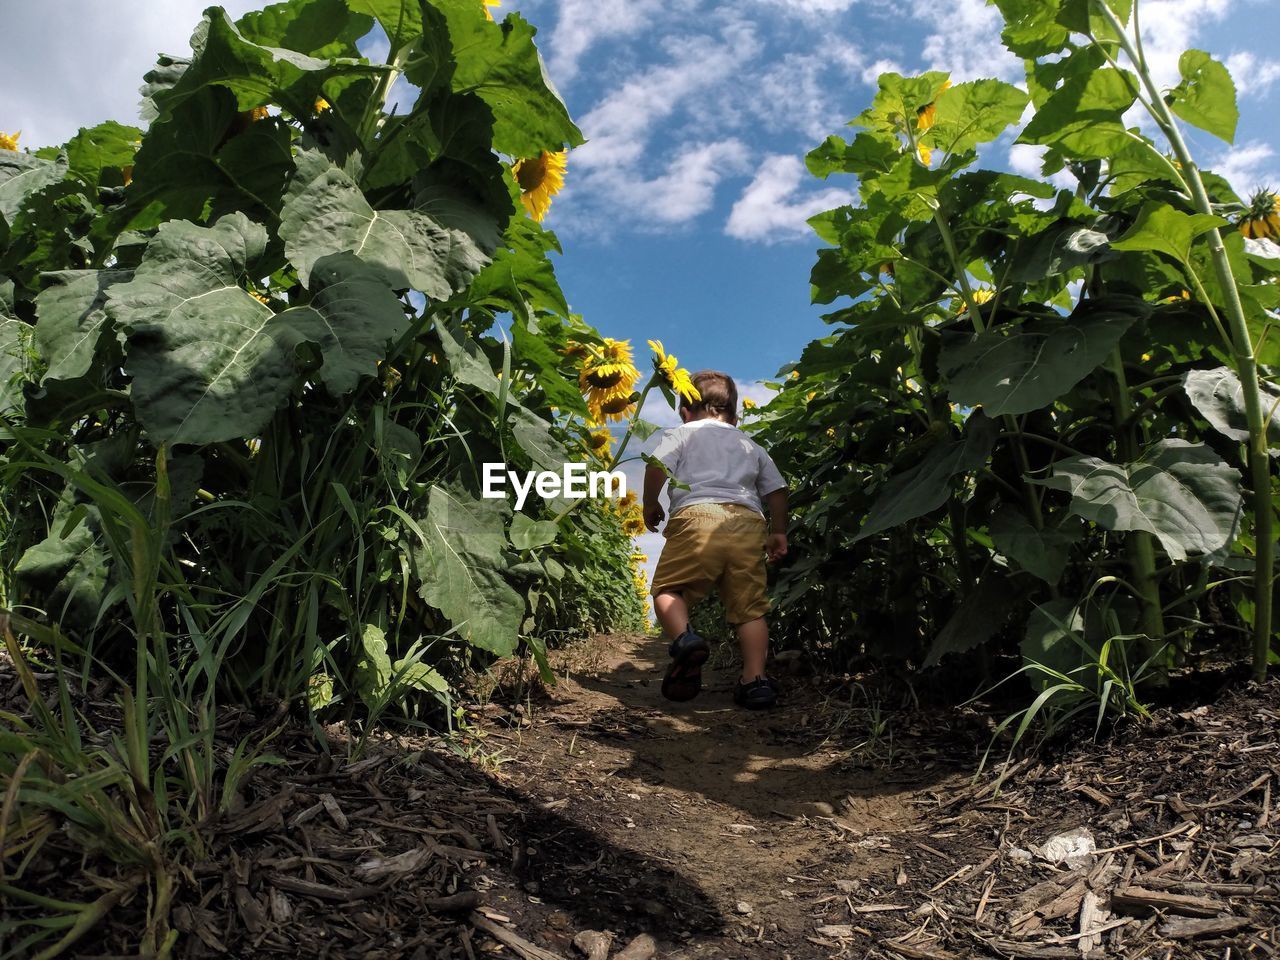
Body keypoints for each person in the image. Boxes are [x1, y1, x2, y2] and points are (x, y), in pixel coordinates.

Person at [642, 370, 788, 709]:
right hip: (748, 522)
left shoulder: (678, 433)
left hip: (696, 518)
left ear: (684, 411)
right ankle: (755, 681)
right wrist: (778, 532)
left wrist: (651, 504)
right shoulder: (748, 444)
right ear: (734, 417)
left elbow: (654, 467)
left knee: (668, 590)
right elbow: (778, 492)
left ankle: (685, 639)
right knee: (750, 609)